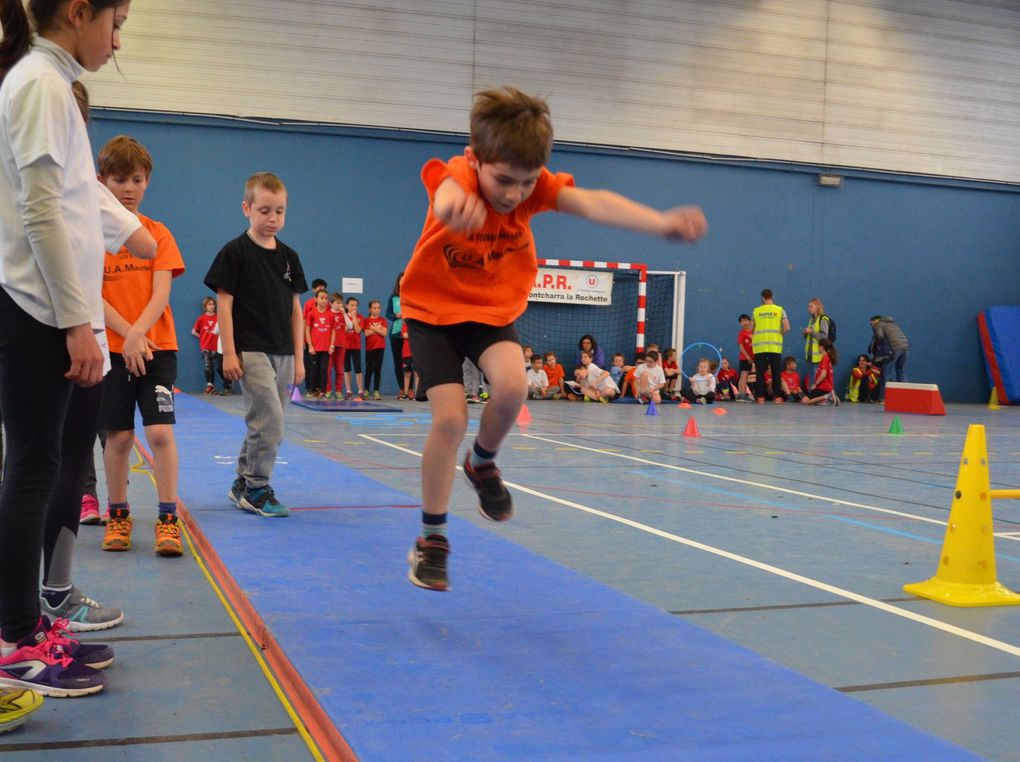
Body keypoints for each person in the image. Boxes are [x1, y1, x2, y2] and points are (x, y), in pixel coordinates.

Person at [400, 87, 706, 591]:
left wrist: (661, 223)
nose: (514, 194)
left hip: (490, 312)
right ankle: (432, 540)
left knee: (514, 388)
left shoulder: (532, 186)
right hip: (432, 313)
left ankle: (482, 463)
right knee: (450, 417)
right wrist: (456, 208)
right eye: (502, 181)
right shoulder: (459, 175)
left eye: (525, 183)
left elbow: (593, 203)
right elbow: (445, 191)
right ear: (478, 160)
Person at [0, 0, 152, 699]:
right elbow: (39, 210)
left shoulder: (52, 83)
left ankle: (27, 623)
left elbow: (73, 202)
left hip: (49, 310)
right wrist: (76, 322)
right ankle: (14, 641)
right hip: (36, 309)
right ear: (77, 11)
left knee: (44, 464)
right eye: (114, 23)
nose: (118, 40)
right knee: (32, 468)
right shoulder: (37, 82)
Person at [96, 134, 186, 559]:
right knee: (118, 438)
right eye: (119, 180)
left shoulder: (158, 234)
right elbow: (88, 294)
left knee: (160, 432)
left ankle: (168, 518)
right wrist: (125, 335)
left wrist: (138, 335)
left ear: (147, 181)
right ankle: (118, 512)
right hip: (111, 350)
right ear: (102, 182)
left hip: (156, 347)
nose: (128, 188)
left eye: (136, 179)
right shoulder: (91, 237)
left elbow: (161, 293)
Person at [203, 172, 307, 518]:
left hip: (285, 353)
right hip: (251, 350)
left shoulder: (290, 257)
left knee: (266, 425)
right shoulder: (235, 253)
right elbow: (225, 304)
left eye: (279, 211)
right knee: (270, 422)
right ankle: (258, 487)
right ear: (247, 208)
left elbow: (296, 311)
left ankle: (241, 482)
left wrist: (300, 357)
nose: (272, 218)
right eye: (264, 210)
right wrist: (229, 352)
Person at [752, 289, 789, 404]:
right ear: (772, 297)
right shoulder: (780, 310)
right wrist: (778, 334)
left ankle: (760, 397)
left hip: (760, 347)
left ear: (762, 298)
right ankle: (777, 397)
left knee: (759, 373)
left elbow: (751, 328)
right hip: (775, 347)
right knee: (776, 372)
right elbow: (787, 328)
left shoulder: (756, 311)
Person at [304, 289, 333, 398]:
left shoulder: (330, 315)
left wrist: (331, 345)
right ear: (316, 299)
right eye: (321, 298)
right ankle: (311, 390)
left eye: (326, 298)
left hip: (325, 348)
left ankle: (323, 390)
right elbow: (307, 330)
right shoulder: (312, 313)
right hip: (314, 348)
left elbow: (333, 330)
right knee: (313, 369)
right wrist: (310, 345)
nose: (324, 300)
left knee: (324, 369)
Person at [192, 296, 224, 394]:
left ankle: (220, 385)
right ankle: (209, 384)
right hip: (205, 346)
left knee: (215, 365)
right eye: (209, 304)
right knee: (207, 365)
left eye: (213, 304)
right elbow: (194, 331)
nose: (211, 306)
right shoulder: (202, 318)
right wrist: (201, 337)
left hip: (216, 346)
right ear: (205, 306)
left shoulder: (218, 317)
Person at [870, 315, 908, 391]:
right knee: (900, 370)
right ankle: (904, 394)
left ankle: (883, 397)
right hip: (905, 348)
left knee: (886, 372)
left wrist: (876, 342)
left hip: (893, 349)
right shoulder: (893, 325)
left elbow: (880, 336)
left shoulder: (877, 325)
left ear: (875, 321)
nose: (871, 326)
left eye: (871, 324)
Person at [801, 297, 831, 384]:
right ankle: (811, 397)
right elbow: (811, 338)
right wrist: (806, 334)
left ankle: (817, 397)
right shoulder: (811, 320)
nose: (809, 309)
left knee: (817, 381)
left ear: (818, 306)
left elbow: (824, 336)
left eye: (811, 306)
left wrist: (811, 332)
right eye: (808, 307)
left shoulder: (823, 319)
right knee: (811, 381)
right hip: (810, 356)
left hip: (819, 356)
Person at [362, 299, 388, 400]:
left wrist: (374, 329)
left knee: (378, 369)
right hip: (370, 349)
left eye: (378, 308)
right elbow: (366, 333)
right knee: (369, 369)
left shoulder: (383, 320)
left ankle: (376, 391)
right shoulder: (366, 321)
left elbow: (384, 333)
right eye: (374, 308)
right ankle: (366, 390)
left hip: (380, 348)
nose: (377, 310)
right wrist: (378, 329)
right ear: (370, 309)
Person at [802, 339, 839, 405]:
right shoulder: (828, 357)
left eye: (818, 346)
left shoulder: (825, 358)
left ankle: (827, 396)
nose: (817, 348)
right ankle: (829, 398)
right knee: (812, 401)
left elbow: (823, 374)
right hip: (826, 387)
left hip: (823, 387)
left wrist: (815, 384)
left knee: (804, 401)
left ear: (821, 347)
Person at [324, 292, 347, 399]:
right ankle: (328, 390)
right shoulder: (328, 314)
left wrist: (345, 314)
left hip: (341, 345)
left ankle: (338, 390)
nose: (340, 305)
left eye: (341, 303)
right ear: (331, 303)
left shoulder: (342, 315)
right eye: (338, 303)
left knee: (339, 369)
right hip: (330, 346)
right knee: (328, 369)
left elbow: (350, 326)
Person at [385, 271, 405, 394]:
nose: (403, 282)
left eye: (405, 279)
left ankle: (411, 389)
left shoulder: (412, 295)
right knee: (398, 362)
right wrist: (395, 315)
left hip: (408, 335)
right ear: (398, 282)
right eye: (401, 280)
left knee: (409, 362)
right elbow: (388, 313)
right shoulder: (393, 298)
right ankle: (402, 388)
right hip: (395, 334)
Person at [342, 296, 364, 400]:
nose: (354, 307)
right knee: (347, 368)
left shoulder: (360, 317)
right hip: (345, 346)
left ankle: (360, 391)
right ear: (347, 306)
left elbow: (358, 330)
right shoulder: (343, 317)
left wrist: (354, 318)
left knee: (358, 369)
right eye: (351, 305)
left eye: (355, 305)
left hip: (356, 346)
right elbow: (345, 330)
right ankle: (348, 391)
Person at [736, 313, 754, 401]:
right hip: (744, 358)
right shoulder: (741, 333)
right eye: (742, 321)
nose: (744, 323)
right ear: (740, 323)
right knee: (744, 375)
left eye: (746, 320)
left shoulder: (753, 332)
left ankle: (742, 393)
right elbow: (741, 347)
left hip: (752, 358)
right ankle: (741, 394)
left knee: (746, 376)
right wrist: (748, 357)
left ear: (750, 321)